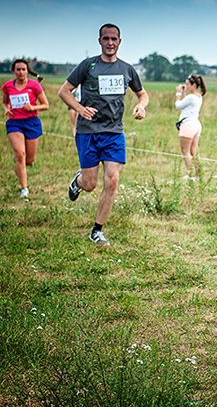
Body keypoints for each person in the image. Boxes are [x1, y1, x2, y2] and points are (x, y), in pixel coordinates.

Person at [58, 23, 149, 247]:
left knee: (113, 180)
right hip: (88, 132)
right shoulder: (88, 66)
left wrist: (141, 106)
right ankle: (79, 181)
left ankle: (97, 231)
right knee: (90, 184)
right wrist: (80, 109)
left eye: (114, 39)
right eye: (106, 38)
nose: (110, 43)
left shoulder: (127, 69)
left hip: (114, 133)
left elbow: (142, 94)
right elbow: (64, 91)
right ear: (100, 41)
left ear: (120, 41)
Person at [2, 59, 49, 198]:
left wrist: (33, 107)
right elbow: (4, 102)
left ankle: (18, 164)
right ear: (13, 71)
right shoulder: (8, 86)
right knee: (20, 154)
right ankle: (24, 189)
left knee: (29, 161)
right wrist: (6, 109)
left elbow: (45, 105)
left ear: (28, 71)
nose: (21, 72)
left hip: (31, 123)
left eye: (23, 69)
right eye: (18, 69)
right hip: (14, 123)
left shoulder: (34, 85)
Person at [174, 74, 206, 179]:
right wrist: (184, 93)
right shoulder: (198, 96)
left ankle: (190, 174)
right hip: (196, 124)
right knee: (194, 151)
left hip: (187, 125)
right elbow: (185, 103)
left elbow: (178, 105)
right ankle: (198, 174)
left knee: (185, 151)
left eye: (188, 85)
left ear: (194, 85)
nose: (186, 87)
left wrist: (178, 93)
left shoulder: (191, 97)